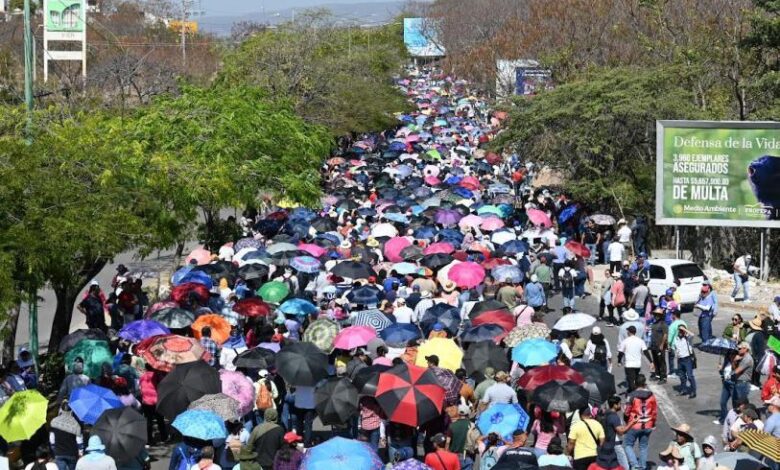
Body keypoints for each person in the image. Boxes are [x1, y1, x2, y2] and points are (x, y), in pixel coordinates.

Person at [623, 374, 657, 470]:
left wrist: (626, 421)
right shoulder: (651, 395)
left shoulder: (631, 395)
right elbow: (654, 411)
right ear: (644, 383)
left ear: (635, 383)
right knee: (643, 446)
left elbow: (627, 411)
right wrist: (653, 423)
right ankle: (642, 467)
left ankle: (635, 465)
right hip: (648, 424)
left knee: (628, 445)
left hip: (634, 424)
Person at [567, 405, 605, 470]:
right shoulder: (597, 424)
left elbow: (571, 442)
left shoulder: (576, 426)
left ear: (579, 415)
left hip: (580, 457)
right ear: (590, 414)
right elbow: (602, 441)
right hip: (595, 456)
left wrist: (569, 452)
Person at [139, 363, 168, 445]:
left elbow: (140, 388)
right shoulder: (156, 375)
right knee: (160, 420)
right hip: (156, 401)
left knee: (148, 421)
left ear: (146, 368)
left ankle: (149, 440)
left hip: (146, 401)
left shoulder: (142, 376)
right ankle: (164, 437)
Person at [604, 396, 634, 470]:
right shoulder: (614, 417)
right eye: (619, 404)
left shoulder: (606, 413)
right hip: (615, 444)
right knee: (625, 466)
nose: (621, 405)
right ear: (615, 405)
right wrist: (631, 423)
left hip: (608, 443)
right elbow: (621, 432)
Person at [617, 325, 647, 393]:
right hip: (637, 364)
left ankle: (634, 394)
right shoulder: (640, 341)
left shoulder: (625, 341)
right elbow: (645, 351)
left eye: (627, 331)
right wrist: (651, 361)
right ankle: (632, 390)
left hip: (629, 364)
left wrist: (619, 361)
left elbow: (621, 353)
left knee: (630, 380)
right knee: (635, 379)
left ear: (629, 332)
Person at [673, 326, 697, 398]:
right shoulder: (676, 339)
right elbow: (676, 348)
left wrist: (684, 329)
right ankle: (684, 390)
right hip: (680, 360)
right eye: (679, 331)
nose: (680, 332)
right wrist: (676, 354)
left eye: (682, 331)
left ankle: (693, 392)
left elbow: (692, 334)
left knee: (690, 376)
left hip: (687, 359)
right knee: (682, 376)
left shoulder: (688, 338)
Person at [648, 308, 668, 384]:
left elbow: (665, 335)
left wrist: (662, 344)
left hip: (660, 346)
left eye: (657, 315)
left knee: (661, 362)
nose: (655, 316)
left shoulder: (663, 324)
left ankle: (663, 377)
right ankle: (657, 375)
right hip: (654, 346)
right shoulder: (654, 323)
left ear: (660, 316)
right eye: (655, 314)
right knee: (656, 361)